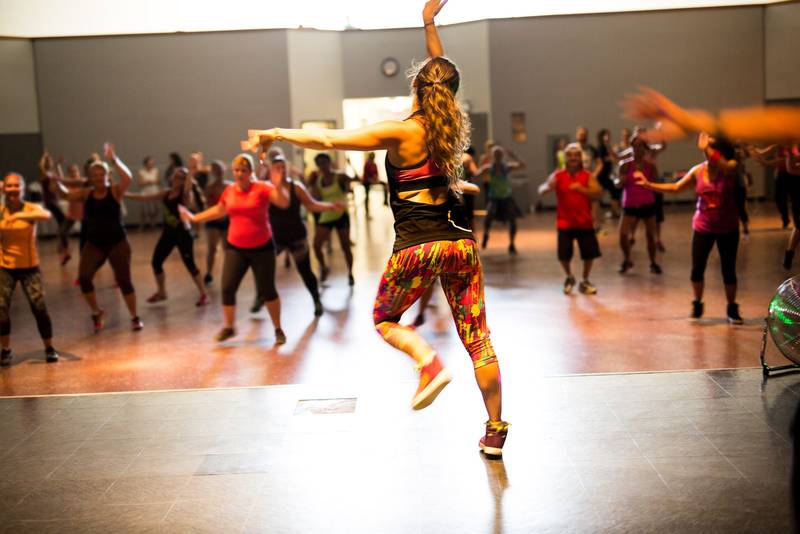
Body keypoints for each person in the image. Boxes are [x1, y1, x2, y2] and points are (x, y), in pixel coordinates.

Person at [243, 0, 508, 456]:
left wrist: (278, 133)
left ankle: (427, 362)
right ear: (449, 92)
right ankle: (496, 431)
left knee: (385, 319)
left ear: (416, 87)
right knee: (478, 340)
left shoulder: (401, 132)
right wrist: (428, 22)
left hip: (417, 247)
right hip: (460, 246)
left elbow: (329, 139)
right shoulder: (447, 130)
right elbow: (442, 73)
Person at [179, 154, 290, 345]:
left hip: (262, 247)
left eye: (243, 170)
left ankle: (278, 329)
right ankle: (229, 327)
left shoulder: (263, 188)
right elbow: (219, 210)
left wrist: (279, 185)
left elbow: (284, 202)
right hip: (235, 247)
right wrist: (194, 218)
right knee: (227, 288)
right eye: (236, 170)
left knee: (268, 290)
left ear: (251, 172)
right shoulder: (230, 190)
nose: (239, 174)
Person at [636, 133, 743, 324]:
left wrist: (706, 147)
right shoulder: (698, 171)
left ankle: (732, 308)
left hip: (728, 227)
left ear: (720, 151)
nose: (706, 151)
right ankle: (697, 303)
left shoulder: (731, 167)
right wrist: (648, 184)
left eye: (711, 147)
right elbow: (676, 188)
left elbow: (727, 167)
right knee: (697, 269)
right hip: (703, 226)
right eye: (706, 147)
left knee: (728, 270)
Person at [55, 144, 143, 332]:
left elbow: (128, 178)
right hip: (94, 243)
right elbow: (64, 194)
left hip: (117, 242)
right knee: (84, 278)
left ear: (107, 175)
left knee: (124, 280)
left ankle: (134, 316)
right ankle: (97, 312)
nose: (98, 177)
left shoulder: (115, 191)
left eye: (101, 174)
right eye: (94, 175)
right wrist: (53, 176)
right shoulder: (87, 193)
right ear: (90, 177)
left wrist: (114, 160)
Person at [268, 154, 346, 316]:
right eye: (277, 168)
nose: (281, 171)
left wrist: (330, 206)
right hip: (276, 238)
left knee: (305, 272)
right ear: (272, 170)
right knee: (263, 269)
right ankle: (260, 296)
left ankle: (316, 300)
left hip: (297, 236)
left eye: (283, 167)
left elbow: (312, 205)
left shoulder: (296, 187)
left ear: (288, 169)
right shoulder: (267, 188)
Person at [126, 167, 208, 306]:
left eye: (181, 178)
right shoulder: (166, 193)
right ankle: (162, 292)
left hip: (183, 234)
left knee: (190, 264)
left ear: (184, 181)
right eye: (175, 176)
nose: (176, 180)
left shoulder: (185, 195)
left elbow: (188, 187)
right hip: (168, 233)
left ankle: (203, 294)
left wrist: (191, 169)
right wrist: (124, 194)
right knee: (156, 262)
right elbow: (145, 198)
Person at [0, 173, 59, 365]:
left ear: (23, 188)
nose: (13, 189)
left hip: (29, 267)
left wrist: (18, 214)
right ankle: (5, 350)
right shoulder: (1, 210)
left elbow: (46, 215)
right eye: (9, 186)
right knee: (1, 308)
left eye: (16, 185)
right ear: (4, 189)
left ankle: (49, 348)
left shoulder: (30, 208)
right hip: (5, 267)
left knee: (39, 307)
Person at [538, 143, 602, 295]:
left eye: (576, 155)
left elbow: (598, 193)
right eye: (570, 155)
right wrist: (548, 187)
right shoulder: (558, 175)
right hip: (565, 223)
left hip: (584, 222)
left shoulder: (587, 176)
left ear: (580, 158)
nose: (573, 158)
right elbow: (541, 189)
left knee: (589, 254)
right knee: (564, 255)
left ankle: (585, 280)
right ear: (565, 158)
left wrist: (582, 189)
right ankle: (569, 277)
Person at [617, 131, 662, 275]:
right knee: (623, 235)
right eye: (635, 146)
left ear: (645, 148)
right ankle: (627, 260)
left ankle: (653, 262)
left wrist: (650, 184)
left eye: (640, 146)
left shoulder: (650, 166)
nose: (637, 149)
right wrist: (620, 181)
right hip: (629, 204)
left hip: (647, 203)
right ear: (631, 148)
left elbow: (656, 184)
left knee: (650, 236)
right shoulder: (625, 165)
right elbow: (618, 182)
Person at [307, 153, 354, 285]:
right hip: (327, 214)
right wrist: (311, 184)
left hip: (341, 215)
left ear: (329, 162)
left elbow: (354, 180)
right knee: (316, 245)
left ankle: (350, 273)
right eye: (319, 163)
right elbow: (315, 197)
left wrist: (348, 176)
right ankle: (324, 268)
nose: (323, 166)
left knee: (345, 246)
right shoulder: (318, 180)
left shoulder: (339, 176)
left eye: (324, 162)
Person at [479, 145, 525, 255]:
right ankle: (486, 234)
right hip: (494, 198)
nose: (498, 156)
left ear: (502, 155)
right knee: (488, 217)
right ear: (493, 155)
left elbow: (522, 165)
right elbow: (477, 173)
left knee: (512, 221)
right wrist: (482, 162)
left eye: (500, 154)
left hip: (506, 197)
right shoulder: (489, 168)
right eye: (496, 154)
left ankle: (512, 244)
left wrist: (514, 155)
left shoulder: (506, 167)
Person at [38, 151, 70, 264]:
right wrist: (44, 157)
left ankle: (61, 244)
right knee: (63, 222)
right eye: (49, 161)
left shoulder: (52, 173)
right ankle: (63, 246)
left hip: (54, 201)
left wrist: (58, 165)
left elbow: (61, 178)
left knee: (62, 222)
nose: (50, 162)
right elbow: (41, 166)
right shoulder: (45, 174)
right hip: (49, 201)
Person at [203, 160, 231, 285]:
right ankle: (209, 272)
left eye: (220, 170)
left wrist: (225, 214)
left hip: (226, 219)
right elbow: (208, 205)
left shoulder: (229, 186)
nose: (219, 173)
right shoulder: (209, 188)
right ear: (213, 173)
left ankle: (228, 272)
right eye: (216, 171)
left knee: (227, 248)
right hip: (213, 220)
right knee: (212, 248)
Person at [59, 164, 88, 264]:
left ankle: (86, 257)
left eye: (75, 171)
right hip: (72, 213)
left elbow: (62, 179)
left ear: (78, 172)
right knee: (62, 232)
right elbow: (61, 182)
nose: (73, 173)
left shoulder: (83, 182)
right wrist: (58, 167)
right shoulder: (68, 184)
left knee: (85, 238)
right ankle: (66, 252)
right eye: (71, 172)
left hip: (84, 213)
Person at [596, 129, 621, 218]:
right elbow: (602, 160)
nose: (609, 137)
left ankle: (614, 212)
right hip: (602, 175)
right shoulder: (601, 147)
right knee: (602, 194)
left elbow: (613, 156)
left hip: (607, 175)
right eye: (607, 135)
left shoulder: (606, 146)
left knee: (614, 192)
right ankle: (598, 213)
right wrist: (611, 158)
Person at [138, 156, 161, 228]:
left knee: (155, 208)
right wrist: (147, 182)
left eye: (152, 163)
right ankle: (142, 225)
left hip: (154, 190)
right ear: (146, 164)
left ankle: (153, 224)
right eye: (149, 163)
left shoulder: (155, 170)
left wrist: (152, 182)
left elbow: (158, 181)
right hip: (145, 191)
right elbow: (140, 183)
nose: (151, 164)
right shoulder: (141, 171)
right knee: (144, 209)